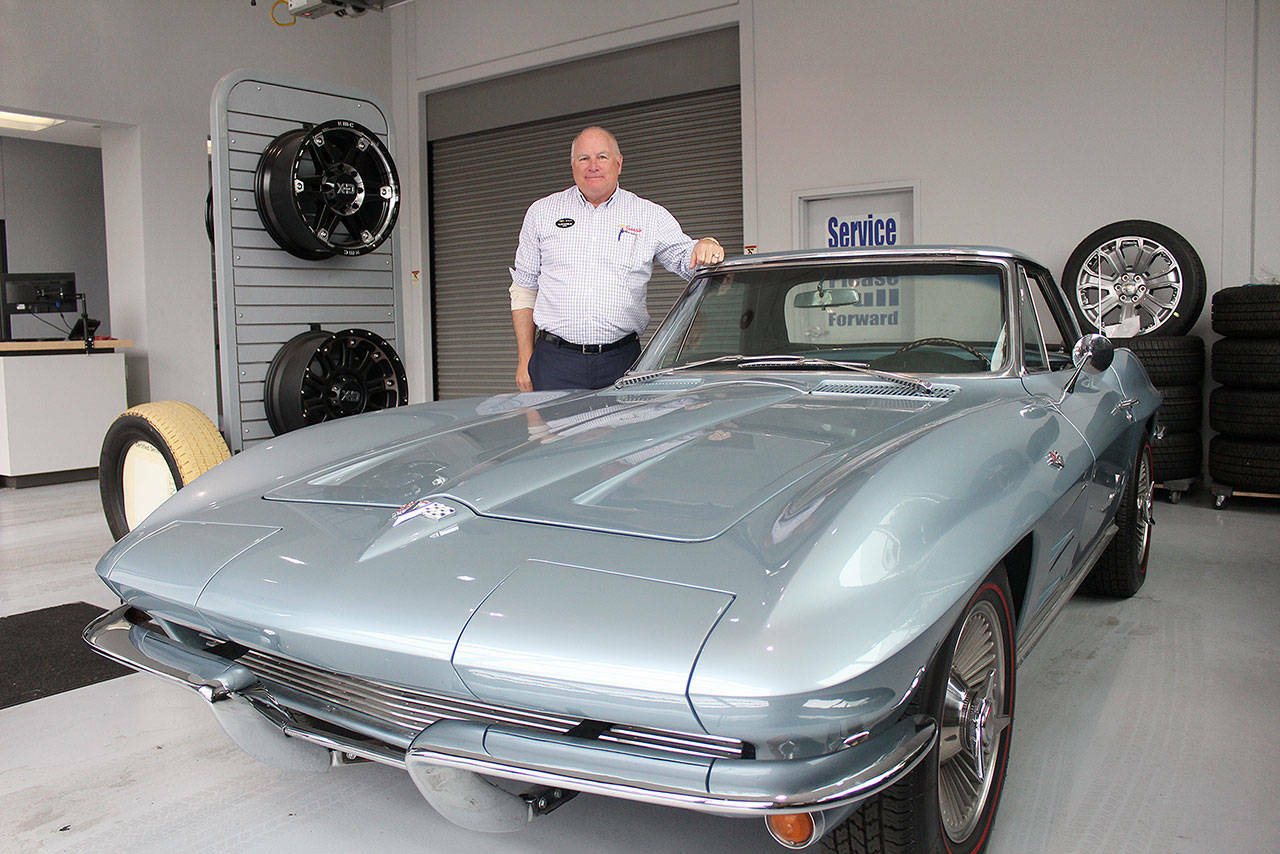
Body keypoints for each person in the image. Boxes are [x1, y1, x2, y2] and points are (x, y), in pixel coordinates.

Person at [509, 126, 724, 391]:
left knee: (623, 434)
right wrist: (524, 359)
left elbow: (688, 260)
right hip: (555, 362)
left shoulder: (649, 216)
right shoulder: (542, 213)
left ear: (619, 163)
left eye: (602, 157)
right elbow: (523, 288)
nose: (593, 166)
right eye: (584, 158)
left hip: (622, 362)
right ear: (572, 165)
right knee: (552, 433)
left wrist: (708, 245)